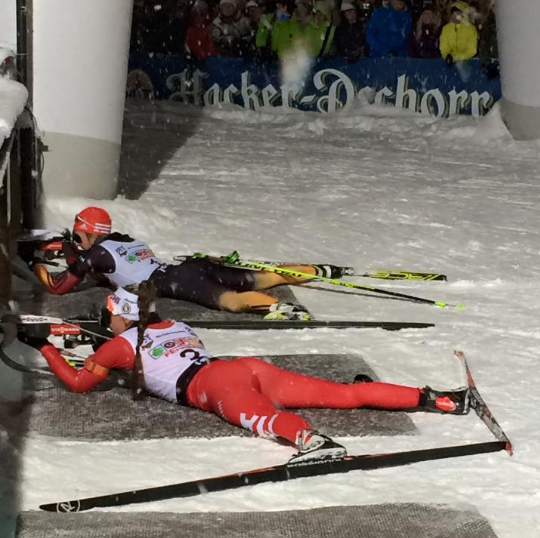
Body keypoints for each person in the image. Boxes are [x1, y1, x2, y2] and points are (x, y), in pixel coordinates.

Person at [20, 283, 471, 462]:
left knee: (264, 421)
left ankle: (312, 443)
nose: (105, 320)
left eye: (108, 315)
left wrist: (45, 347)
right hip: (243, 366)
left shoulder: (120, 343)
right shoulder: (175, 324)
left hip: (212, 385)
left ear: (119, 316)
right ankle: (437, 399)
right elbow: (143, 352)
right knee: (344, 394)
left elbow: (81, 383)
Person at [33, 206, 345, 320]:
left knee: (231, 302)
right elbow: (110, 272)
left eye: (78, 234)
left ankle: (280, 309)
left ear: (87, 233)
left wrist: (34, 263)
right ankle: (312, 271)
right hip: (187, 268)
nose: (75, 241)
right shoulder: (122, 238)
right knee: (256, 277)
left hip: (174, 281)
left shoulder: (95, 254)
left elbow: (57, 287)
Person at [439, 1, 478, 65]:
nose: (455, 16)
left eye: (458, 13)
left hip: (468, 64)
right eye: (453, 13)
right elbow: (444, 49)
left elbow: (472, 50)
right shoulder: (446, 29)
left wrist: (455, 58)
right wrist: (447, 56)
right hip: (449, 63)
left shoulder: (471, 29)